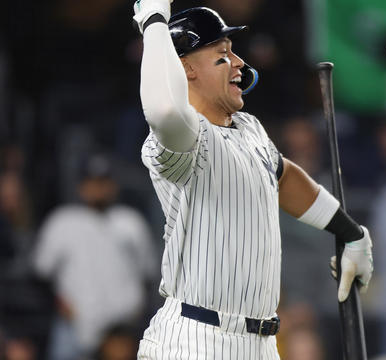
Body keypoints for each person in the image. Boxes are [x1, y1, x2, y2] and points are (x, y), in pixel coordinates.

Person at [131, 1, 373, 359]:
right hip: (196, 339)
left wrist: (349, 231)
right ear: (185, 69)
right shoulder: (184, 139)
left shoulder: (249, 128)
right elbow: (165, 109)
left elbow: (285, 177)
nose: (239, 64)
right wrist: (154, 21)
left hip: (260, 343)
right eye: (222, 55)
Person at [32, 154, 156, 360]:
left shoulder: (130, 221)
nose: (98, 189)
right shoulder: (62, 221)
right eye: (92, 182)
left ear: (113, 186)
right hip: (74, 332)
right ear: (81, 186)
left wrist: (135, 318)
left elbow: (148, 277)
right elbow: (40, 276)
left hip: (121, 336)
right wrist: (59, 304)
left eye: (103, 182)